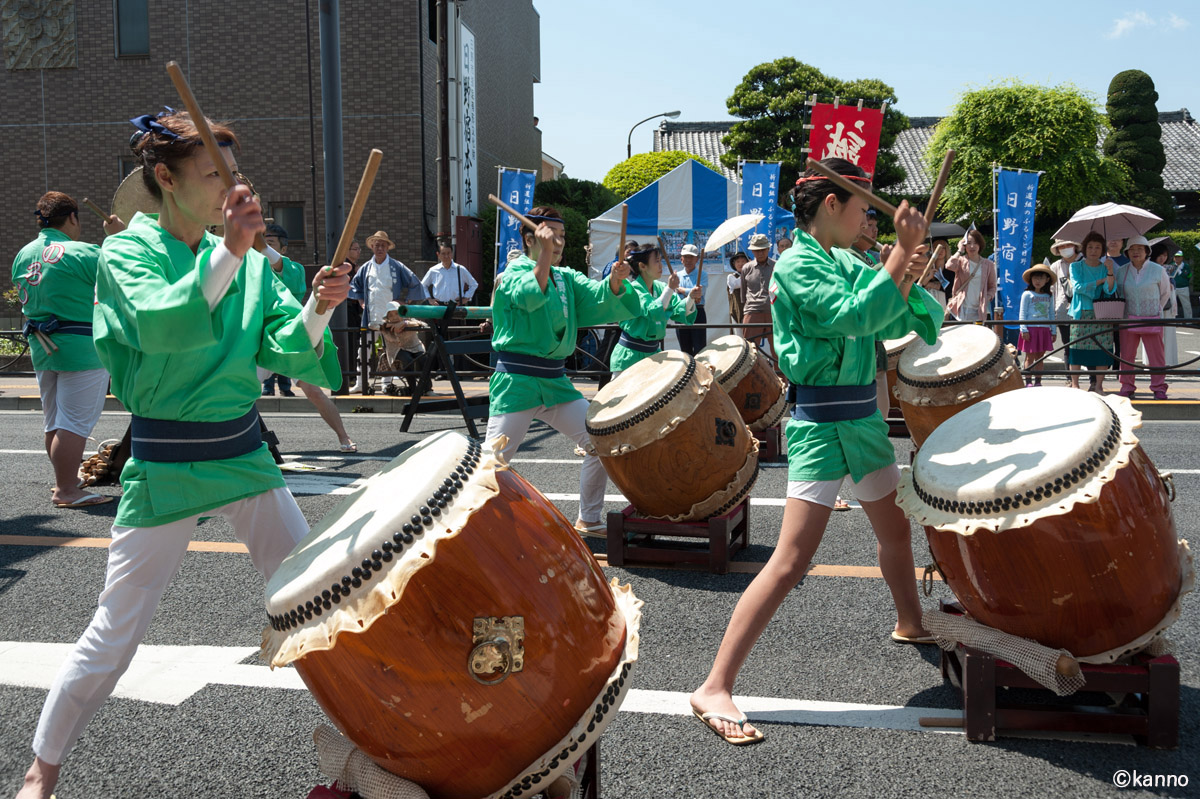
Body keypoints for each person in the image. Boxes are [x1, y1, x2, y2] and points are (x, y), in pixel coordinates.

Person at [14, 109, 351, 799]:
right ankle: (41, 766)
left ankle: (384, 737)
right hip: (165, 463)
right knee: (117, 630)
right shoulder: (125, 255)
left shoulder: (249, 260)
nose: (234, 186)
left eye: (234, 172)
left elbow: (285, 344)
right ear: (165, 179)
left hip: (244, 454)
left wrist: (319, 305)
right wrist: (229, 249)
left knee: (320, 602)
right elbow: (162, 327)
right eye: (213, 174)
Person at [690, 157, 942, 746]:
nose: (865, 217)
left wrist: (910, 274)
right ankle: (714, 684)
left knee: (896, 531)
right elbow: (858, 316)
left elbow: (914, 320)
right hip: (821, 425)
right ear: (832, 205)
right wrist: (899, 261)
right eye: (861, 206)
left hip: (863, 419)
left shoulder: (850, 260)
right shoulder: (797, 266)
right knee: (791, 562)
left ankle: (910, 620)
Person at [485, 205, 639, 537]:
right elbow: (528, 295)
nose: (558, 242)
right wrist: (541, 257)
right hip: (517, 381)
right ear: (530, 239)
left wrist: (614, 279)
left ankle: (589, 517)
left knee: (601, 439)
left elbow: (599, 298)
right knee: (492, 465)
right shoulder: (512, 273)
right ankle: (470, 531)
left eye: (562, 236)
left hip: (556, 381)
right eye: (549, 236)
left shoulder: (565, 277)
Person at [10, 191, 120, 509]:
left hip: (42, 346)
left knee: (55, 420)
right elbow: (124, 271)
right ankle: (67, 489)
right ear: (72, 217)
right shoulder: (83, 252)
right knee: (74, 422)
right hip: (81, 346)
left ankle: (65, 481)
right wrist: (119, 238)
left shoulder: (24, 253)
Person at [262, 223, 357, 451]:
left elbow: (276, 263)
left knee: (313, 391)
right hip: (257, 342)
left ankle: (344, 437)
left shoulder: (293, 269)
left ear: (283, 249)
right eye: (262, 241)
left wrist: (256, 242)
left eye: (270, 243)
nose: (263, 245)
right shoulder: (246, 269)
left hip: (288, 338)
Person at [348, 230, 426, 395]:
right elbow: (355, 286)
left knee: (391, 351)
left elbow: (415, 283)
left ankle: (386, 383)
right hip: (371, 315)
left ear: (387, 247)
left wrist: (405, 303)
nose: (380, 248)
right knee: (364, 350)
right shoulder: (365, 268)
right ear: (372, 247)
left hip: (392, 318)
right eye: (377, 245)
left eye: (383, 245)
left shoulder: (396, 266)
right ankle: (361, 382)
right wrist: (361, 301)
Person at [610, 245, 698, 374]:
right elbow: (653, 311)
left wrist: (691, 297)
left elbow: (679, 311)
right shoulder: (632, 289)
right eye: (656, 261)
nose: (660, 265)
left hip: (653, 354)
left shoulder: (660, 287)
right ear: (643, 266)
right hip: (630, 355)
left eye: (661, 260)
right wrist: (669, 289)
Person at [1116, 236, 1172, 399]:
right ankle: (1127, 385)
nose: (1136, 252)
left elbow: (1165, 293)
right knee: (1126, 354)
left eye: (1140, 249)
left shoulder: (1157, 270)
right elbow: (1118, 292)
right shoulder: (1122, 271)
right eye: (1132, 249)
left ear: (1147, 251)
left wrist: (1155, 309)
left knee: (1156, 355)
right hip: (1128, 318)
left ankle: (1158, 387)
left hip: (1152, 317)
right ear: (1127, 252)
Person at [1068, 231, 1117, 393]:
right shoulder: (1075, 266)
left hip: (1101, 312)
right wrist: (1101, 280)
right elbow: (1078, 287)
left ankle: (1098, 385)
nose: (1093, 250)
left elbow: (1109, 290)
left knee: (1102, 349)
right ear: (1084, 249)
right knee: (1076, 349)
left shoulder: (1105, 267)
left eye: (1097, 247)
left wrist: (1109, 272)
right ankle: (1075, 384)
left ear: (1102, 250)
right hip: (1081, 311)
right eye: (1090, 247)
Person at [945, 229, 996, 322]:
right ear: (964, 245)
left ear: (980, 244)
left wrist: (987, 297)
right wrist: (959, 250)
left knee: (976, 335)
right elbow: (948, 265)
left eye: (975, 243)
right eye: (968, 243)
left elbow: (992, 287)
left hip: (979, 309)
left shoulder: (988, 264)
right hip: (961, 307)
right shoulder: (961, 261)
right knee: (961, 335)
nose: (972, 246)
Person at [738, 233, 776, 357]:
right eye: (757, 250)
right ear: (752, 251)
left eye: (763, 249)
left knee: (777, 350)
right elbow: (743, 294)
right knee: (750, 351)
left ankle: (780, 376)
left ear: (768, 249)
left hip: (774, 311)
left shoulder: (777, 266)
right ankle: (750, 376)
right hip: (752, 310)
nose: (760, 253)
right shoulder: (746, 268)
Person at [1049, 239, 1080, 384]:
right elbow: (1052, 289)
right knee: (1068, 345)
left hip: (1083, 310)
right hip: (1062, 310)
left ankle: (1094, 381)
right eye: (1061, 246)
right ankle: (1070, 379)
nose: (1065, 248)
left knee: (1087, 345)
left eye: (1068, 244)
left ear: (1075, 246)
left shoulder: (1084, 262)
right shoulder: (1056, 266)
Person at [1018, 264, 1055, 387]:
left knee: (1040, 357)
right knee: (1030, 356)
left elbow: (1051, 314)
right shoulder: (1027, 294)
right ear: (1031, 280)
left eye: (1041, 278)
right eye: (1035, 278)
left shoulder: (1049, 296)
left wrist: (1053, 331)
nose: (1038, 281)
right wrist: (1023, 329)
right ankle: (1028, 381)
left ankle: (1038, 381)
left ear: (1047, 280)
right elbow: (1022, 312)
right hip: (1031, 329)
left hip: (1044, 329)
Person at [673, 243, 708, 357]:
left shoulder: (702, 274)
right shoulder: (677, 275)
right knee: (684, 348)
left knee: (700, 348)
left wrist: (682, 290)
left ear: (697, 259)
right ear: (681, 259)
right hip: (682, 312)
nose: (688, 260)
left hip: (698, 311)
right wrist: (691, 293)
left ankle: (700, 373)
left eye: (691, 257)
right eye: (686, 257)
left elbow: (699, 293)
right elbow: (676, 296)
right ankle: (688, 373)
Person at [422, 240, 479, 305]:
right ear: (438, 254)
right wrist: (429, 299)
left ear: (452, 253)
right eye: (443, 253)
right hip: (438, 306)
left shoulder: (460, 269)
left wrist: (466, 298)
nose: (446, 256)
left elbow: (474, 284)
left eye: (448, 253)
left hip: (456, 306)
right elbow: (423, 285)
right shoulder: (433, 270)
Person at [1169, 250, 1191, 319]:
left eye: (1179, 257)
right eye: (1175, 257)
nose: (1177, 258)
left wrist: (1180, 272)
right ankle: (1171, 319)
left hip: (1184, 288)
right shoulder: (1171, 265)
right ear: (1173, 258)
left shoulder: (1186, 266)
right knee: (1172, 305)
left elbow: (1189, 276)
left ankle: (1189, 321)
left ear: (1182, 258)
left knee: (1186, 305)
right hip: (1173, 288)